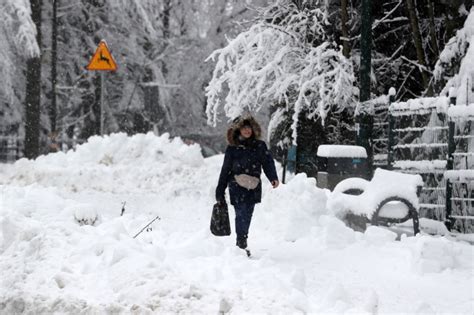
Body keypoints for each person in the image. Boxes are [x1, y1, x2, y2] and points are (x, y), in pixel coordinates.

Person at [215, 114, 279, 253]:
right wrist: (220, 190)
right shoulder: (232, 148)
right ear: (238, 130)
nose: (247, 130)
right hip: (236, 185)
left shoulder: (260, 146)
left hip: (253, 186)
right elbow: (225, 169)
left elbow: (267, 162)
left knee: (248, 214)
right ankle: (241, 242)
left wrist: (273, 177)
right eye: (244, 128)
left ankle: (243, 237)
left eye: (249, 127)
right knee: (240, 212)